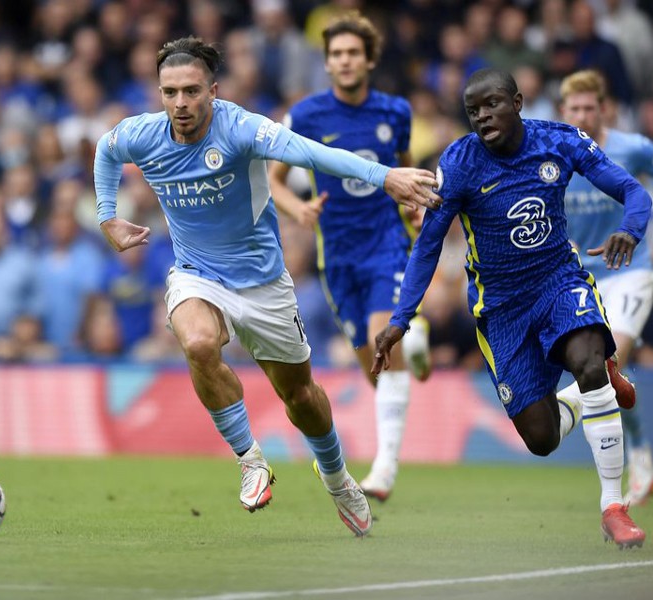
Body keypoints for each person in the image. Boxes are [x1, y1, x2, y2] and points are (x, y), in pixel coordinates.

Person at [93, 37, 440, 537]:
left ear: (212, 90)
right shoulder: (142, 135)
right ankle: (251, 460)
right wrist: (109, 217)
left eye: (192, 91)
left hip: (263, 283)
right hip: (197, 273)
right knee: (196, 342)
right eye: (170, 92)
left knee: (300, 397)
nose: (181, 103)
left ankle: (340, 480)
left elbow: (313, 154)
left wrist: (384, 176)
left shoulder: (241, 129)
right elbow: (106, 150)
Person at [371, 68, 651, 549]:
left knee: (584, 359)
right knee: (541, 439)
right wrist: (400, 319)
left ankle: (613, 505)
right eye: (473, 111)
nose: (482, 116)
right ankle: (594, 389)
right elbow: (428, 247)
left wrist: (631, 227)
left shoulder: (559, 141)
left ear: (518, 102)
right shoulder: (458, 164)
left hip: (559, 282)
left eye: (492, 104)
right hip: (500, 310)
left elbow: (633, 191)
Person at [268, 12, 431, 502]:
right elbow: (273, 180)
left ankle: (383, 470)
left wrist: (412, 203)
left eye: (352, 53)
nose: (344, 61)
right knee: (375, 368)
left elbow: (404, 171)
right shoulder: (307, 116)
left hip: (386, 244)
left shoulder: (395, 112)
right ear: (327, 63)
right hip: (336, 257)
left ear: (369, 59)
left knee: (384, 340)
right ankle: (416, 339)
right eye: (336, 54)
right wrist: (299, 209)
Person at [557, 69, 653, 506]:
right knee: (613, 375)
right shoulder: (555, 153)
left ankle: (557, 416)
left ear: (603, 108)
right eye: (573, 108)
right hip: (584, 277)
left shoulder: (631, 148)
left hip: (634, 268)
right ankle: (644, 465)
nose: (582, 114)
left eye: (589, 107)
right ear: (563, 111)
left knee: (610, 359)